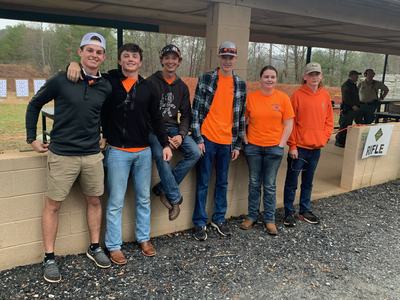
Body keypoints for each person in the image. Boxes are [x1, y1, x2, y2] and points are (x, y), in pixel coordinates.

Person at [67, 43, 172, 265]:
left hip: (143, 152)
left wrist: (165, 144)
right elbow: (88, 74)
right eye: (126, 56)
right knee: (115, 201)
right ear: (119, 60)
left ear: (140, 62)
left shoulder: (148, 87)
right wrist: (73, 64)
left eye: (135, 56)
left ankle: (144, 239)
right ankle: (114, 246)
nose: (130, 59)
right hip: (117, 152)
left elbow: (156, 119)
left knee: (143, 199)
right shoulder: (108, 82)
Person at [25, 32, 112, 283]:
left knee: (95, 201)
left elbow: (105, 113)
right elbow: (34, 104)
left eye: (98, 52)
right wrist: (31, 137)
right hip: (62, 154)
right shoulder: (62, 79)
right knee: (53, 205)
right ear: (80, 52)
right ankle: (49, 257)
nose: (94, 55)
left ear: (104, 56)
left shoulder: (105, 85)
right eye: (89, 50)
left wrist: (104, 133)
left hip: (92, 156)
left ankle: (95, 247)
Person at [191, 41, 246, 241]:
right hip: (207, 138)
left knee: (222, 182)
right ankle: (199, 222)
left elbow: (241, 118)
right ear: (219, 58)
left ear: (235, 59)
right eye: (224, 57)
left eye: (231, 57)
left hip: (227, 141)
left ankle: (219, 219)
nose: (227, 61)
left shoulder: (240, 83)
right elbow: (195, 110)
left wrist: (237, 144)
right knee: (203, 182)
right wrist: (198, 138)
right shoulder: (206, 78)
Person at [147, 44, 201, 221]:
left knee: (194, 152)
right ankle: (175, 198)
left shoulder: (182, 87)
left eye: (174, 58)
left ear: (179, 61)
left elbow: (186, 115)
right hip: (154, 130)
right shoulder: (150, 82)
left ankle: (163, 188)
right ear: (162, 60)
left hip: (174, 128)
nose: (170, 61)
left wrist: (181, 135)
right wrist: (164, 139)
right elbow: (145, 114)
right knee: (164, 156)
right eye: (167, 57)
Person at [240, 65, 294, 235]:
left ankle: (270, 220)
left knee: (269, 185)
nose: (269, 79)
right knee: (254, 183)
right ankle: (252, 216)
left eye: (272, 77)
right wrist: (246, 141)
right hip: (253, 147)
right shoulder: (251, 98)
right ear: (260, 79)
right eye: (266, 76)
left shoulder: (283, 98)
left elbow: (289, 124)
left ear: (276, 79)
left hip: (274, 148)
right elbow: (242, 121)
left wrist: (281, 144)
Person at [283, 62, 334, 227]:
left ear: (321, 76)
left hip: (315, 148)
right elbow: (290, 123)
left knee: (308, 181)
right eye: (311, 74)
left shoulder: (325, 95)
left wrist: (324, 137)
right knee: (292, 182)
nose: (314, 77)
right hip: (299, 149)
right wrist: (292, 145)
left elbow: (329, 120)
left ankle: (304, 210)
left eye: (317, 74)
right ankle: (288, 212)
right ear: (305, 76)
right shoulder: (297, 95)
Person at [335, 70, 361, 147]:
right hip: (348, 109)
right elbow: (346, 98)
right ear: (351, 76)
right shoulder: (346, 85)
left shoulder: (353, 85)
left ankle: (344, 140)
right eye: (356, 76)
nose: (357, 77)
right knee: (344, 125)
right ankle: (339, 141)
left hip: (354, 109)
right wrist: (353, 105)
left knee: (349, 125)